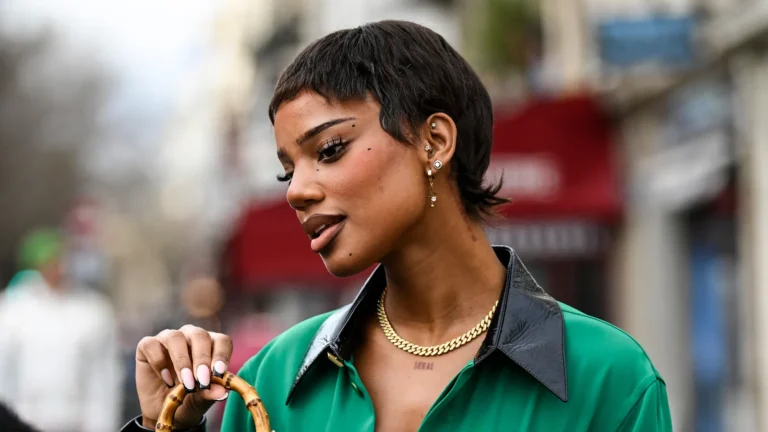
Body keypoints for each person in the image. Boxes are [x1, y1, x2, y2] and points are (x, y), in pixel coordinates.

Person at [120, 20, 672, 431]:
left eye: (329, 150)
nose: (296, 191)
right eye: (288, 170)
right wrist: (165, 427)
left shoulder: (608, 378)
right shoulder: (270, 380)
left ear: (434, 141)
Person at [0, 228, 122, 432]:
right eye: (50, 262)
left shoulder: (93, 310)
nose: (57, 268)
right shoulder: (13, 310)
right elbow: (4, 374)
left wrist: (101, 425)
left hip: (76, 422)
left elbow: (104, 377)